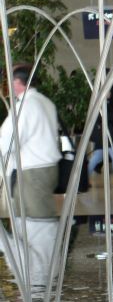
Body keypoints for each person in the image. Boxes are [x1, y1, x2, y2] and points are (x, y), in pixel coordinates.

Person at [0, 64, 61, 218]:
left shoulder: (24, 106)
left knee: (36, 220)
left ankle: (44, 243)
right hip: (46, 168)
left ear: (18, 82)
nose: (9, 86)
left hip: (33, 171)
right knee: (32, 216)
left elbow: (10, 141)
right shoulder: (46, 102)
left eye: (11, 81)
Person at [87, 82, 113, 186]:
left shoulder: (101, 103)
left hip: (103, 136)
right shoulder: (103, 104)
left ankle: (83, 178)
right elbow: (108, 116)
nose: (110, 93)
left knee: (97, 157)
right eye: (108, 92)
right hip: (107, 136)